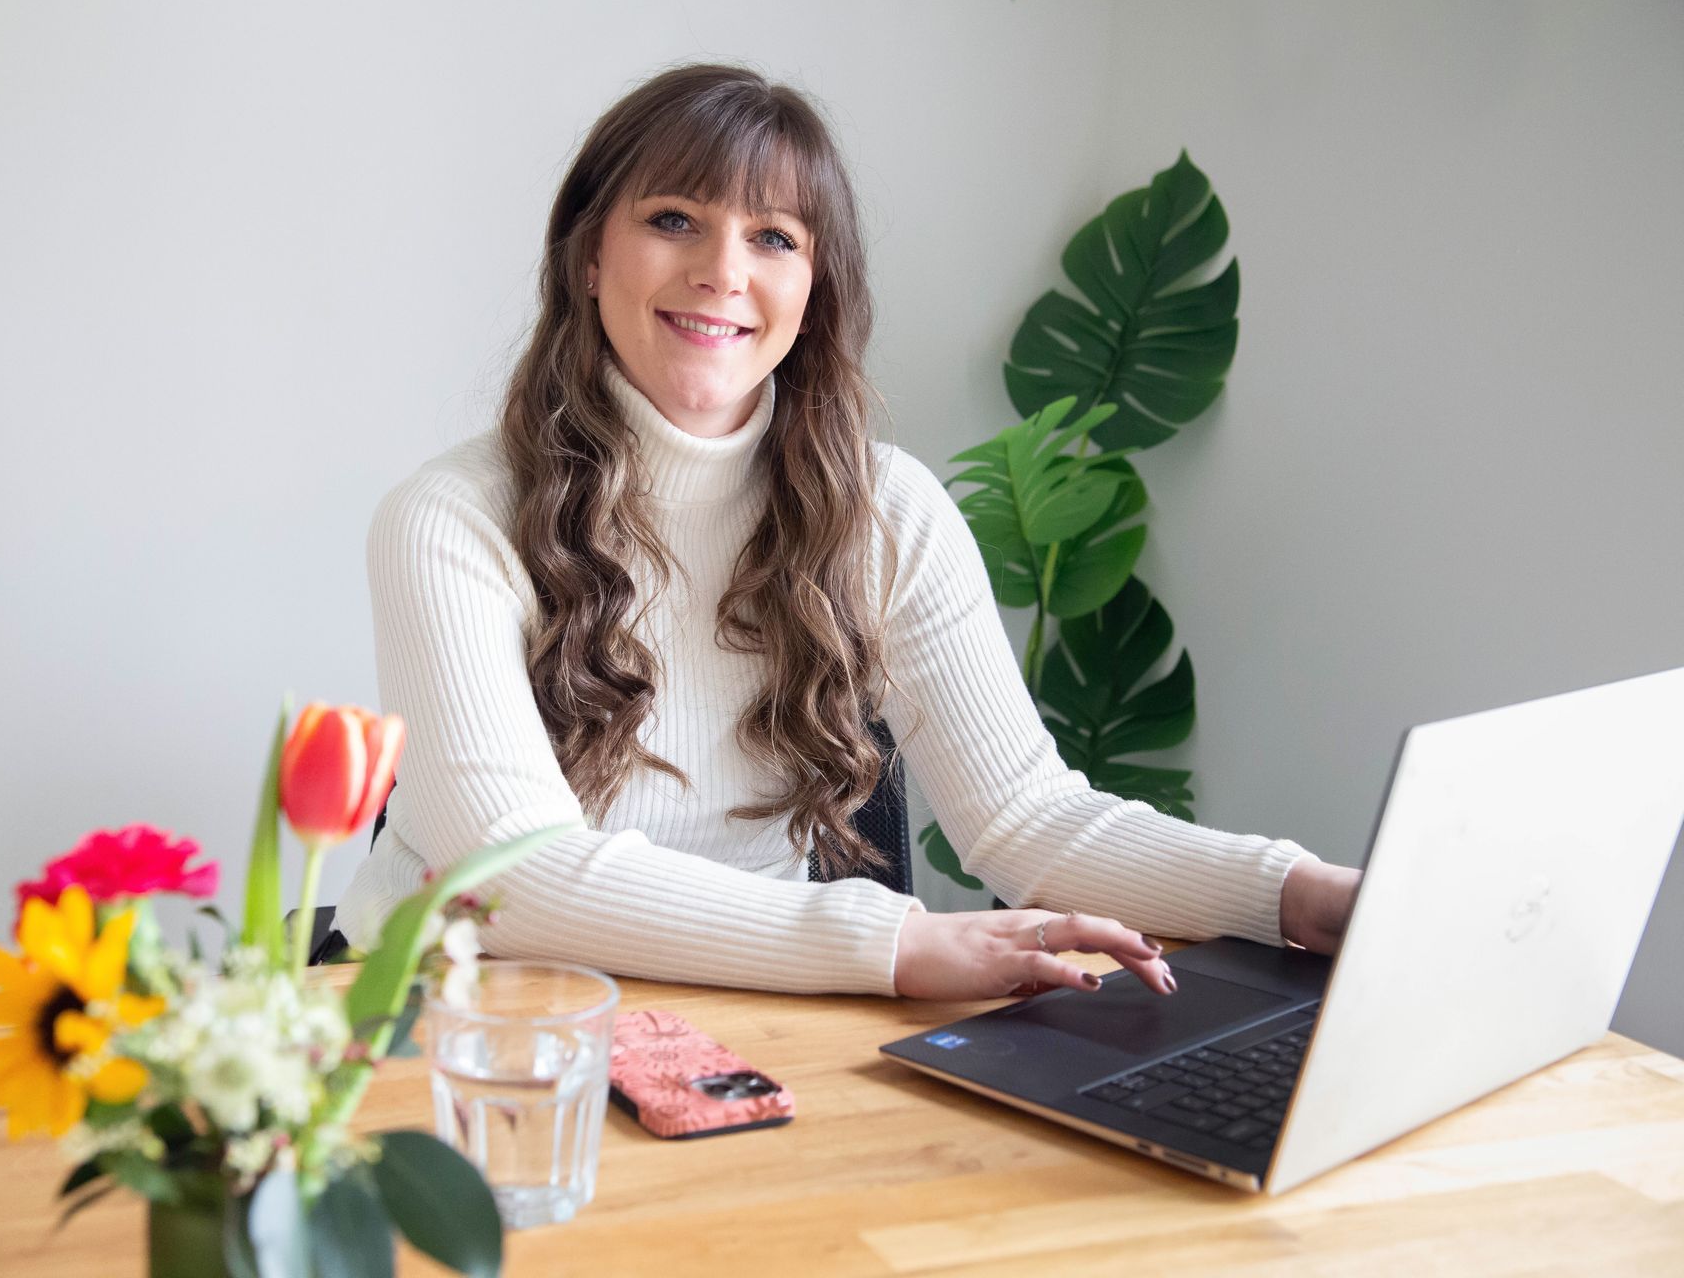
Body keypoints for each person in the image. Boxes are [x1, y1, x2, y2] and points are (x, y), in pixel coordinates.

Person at [335, 63, 1361, 1001]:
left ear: (813, 286)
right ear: (590, 256)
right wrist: (894, 944)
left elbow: (1026, 819)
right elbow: (513, 876)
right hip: (459, 1026)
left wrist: (1301, 893)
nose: (723, 271)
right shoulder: (451, 520)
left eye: (774, 237)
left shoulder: (887, 513)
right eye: (674, 218)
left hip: (753, 1015)